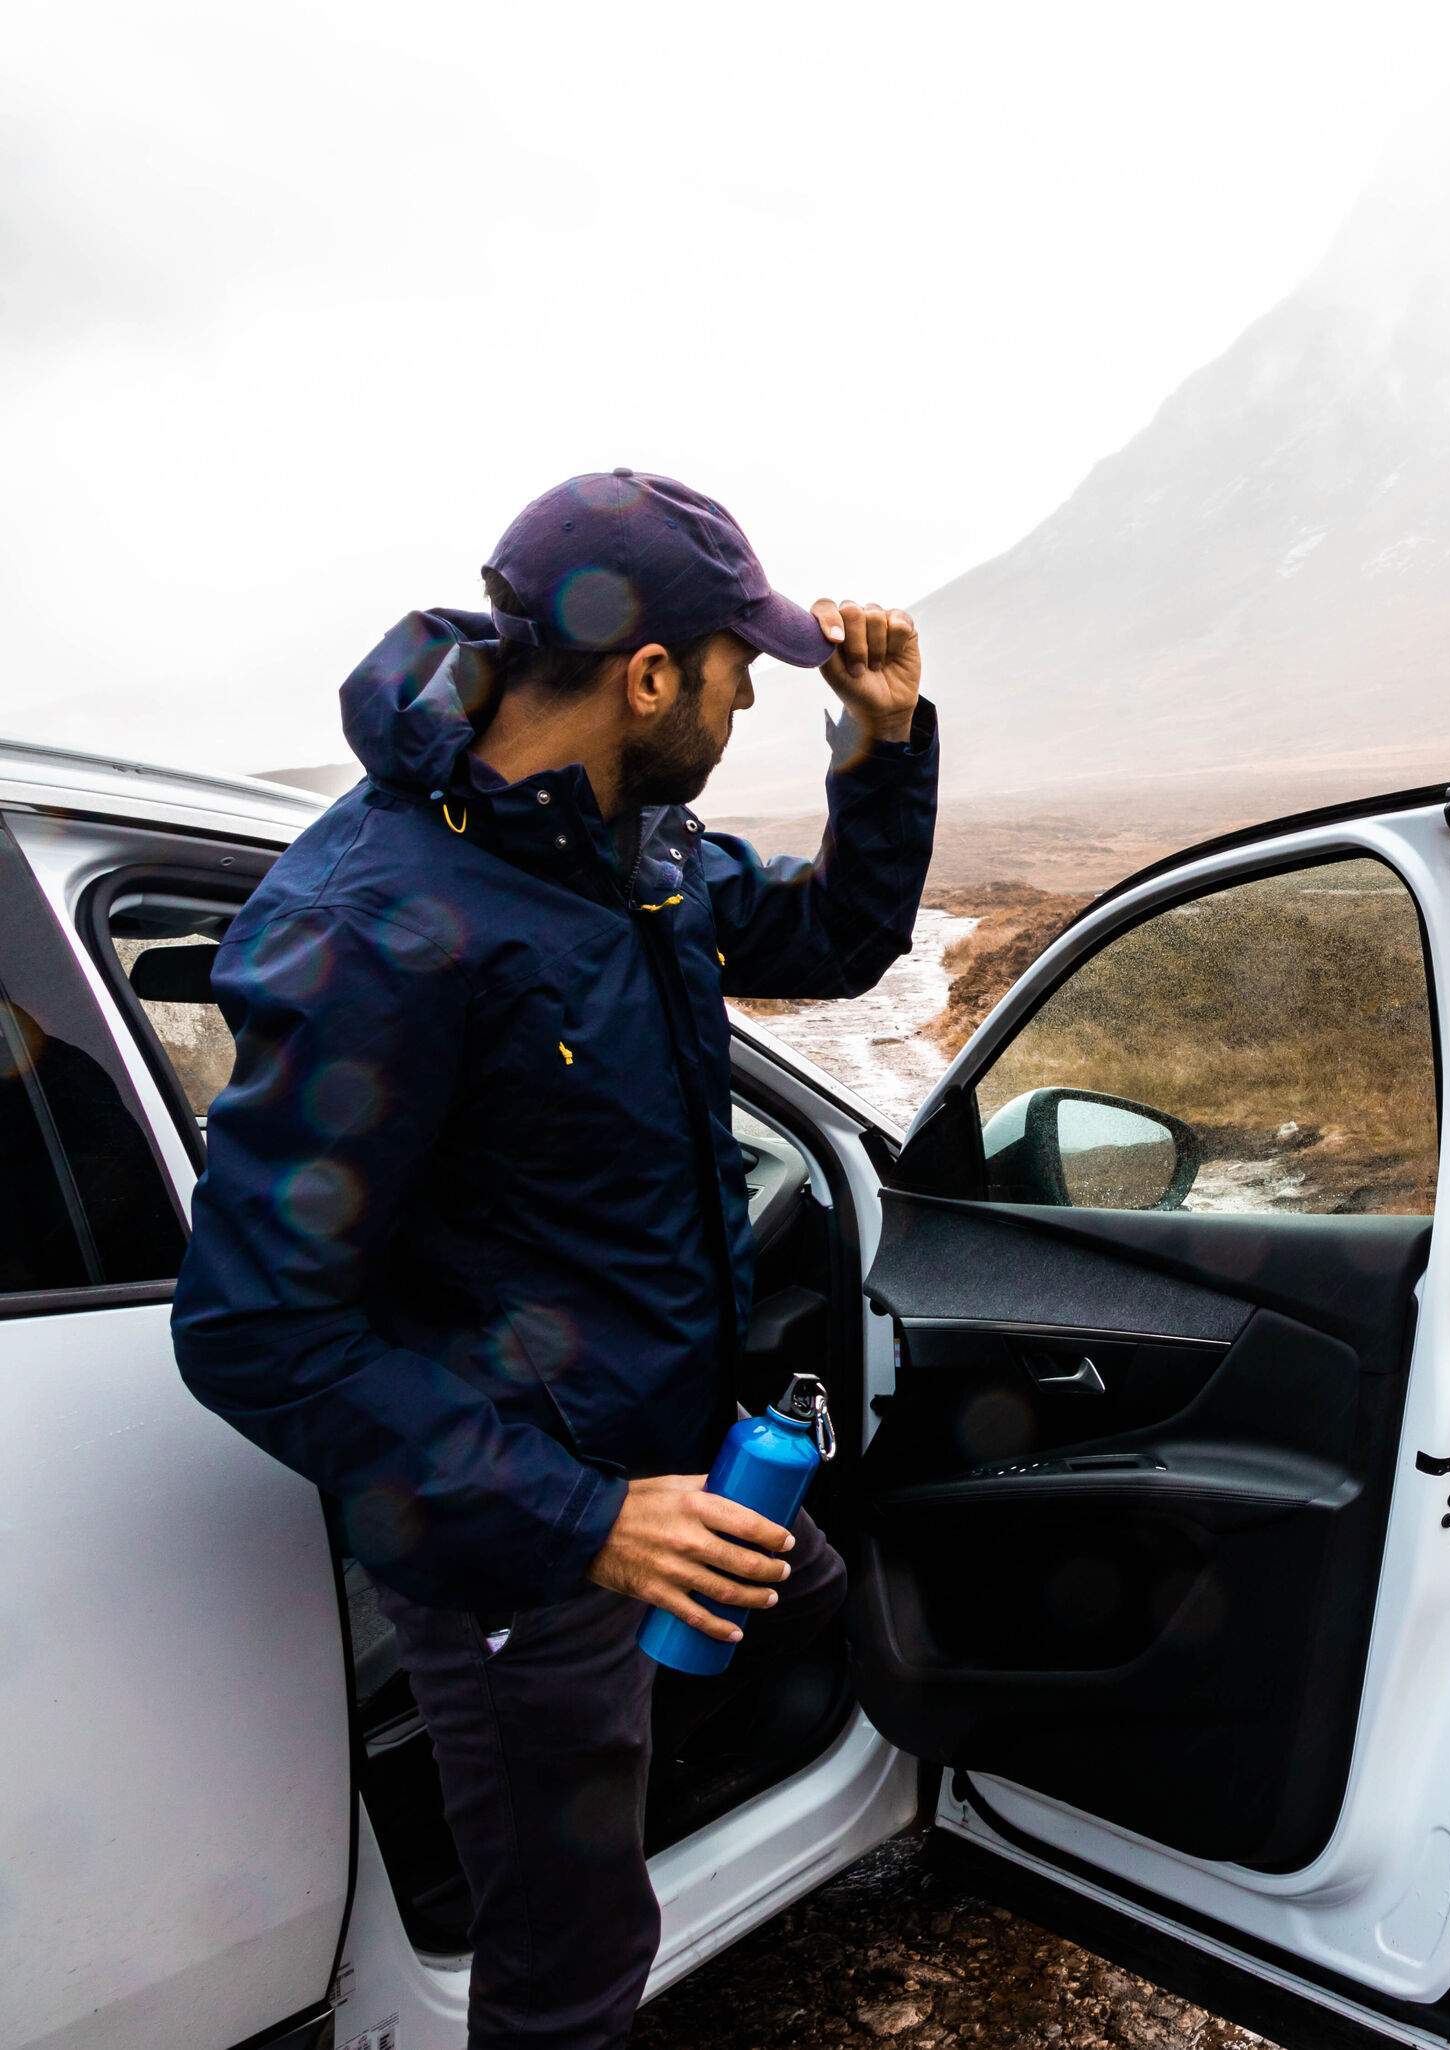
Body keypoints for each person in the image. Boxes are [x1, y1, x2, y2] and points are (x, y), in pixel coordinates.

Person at [171, 469, 940, 2048]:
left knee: (826, 1600)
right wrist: (587, 1523)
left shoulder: (625, 857)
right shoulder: (376, 928)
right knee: (569, 1967)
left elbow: (834, 938)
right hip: (523, 1547)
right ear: (648, 675)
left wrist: (880, 742)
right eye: (739, 671)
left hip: (666, 1463)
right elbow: (254, 1328)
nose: (741, 701)